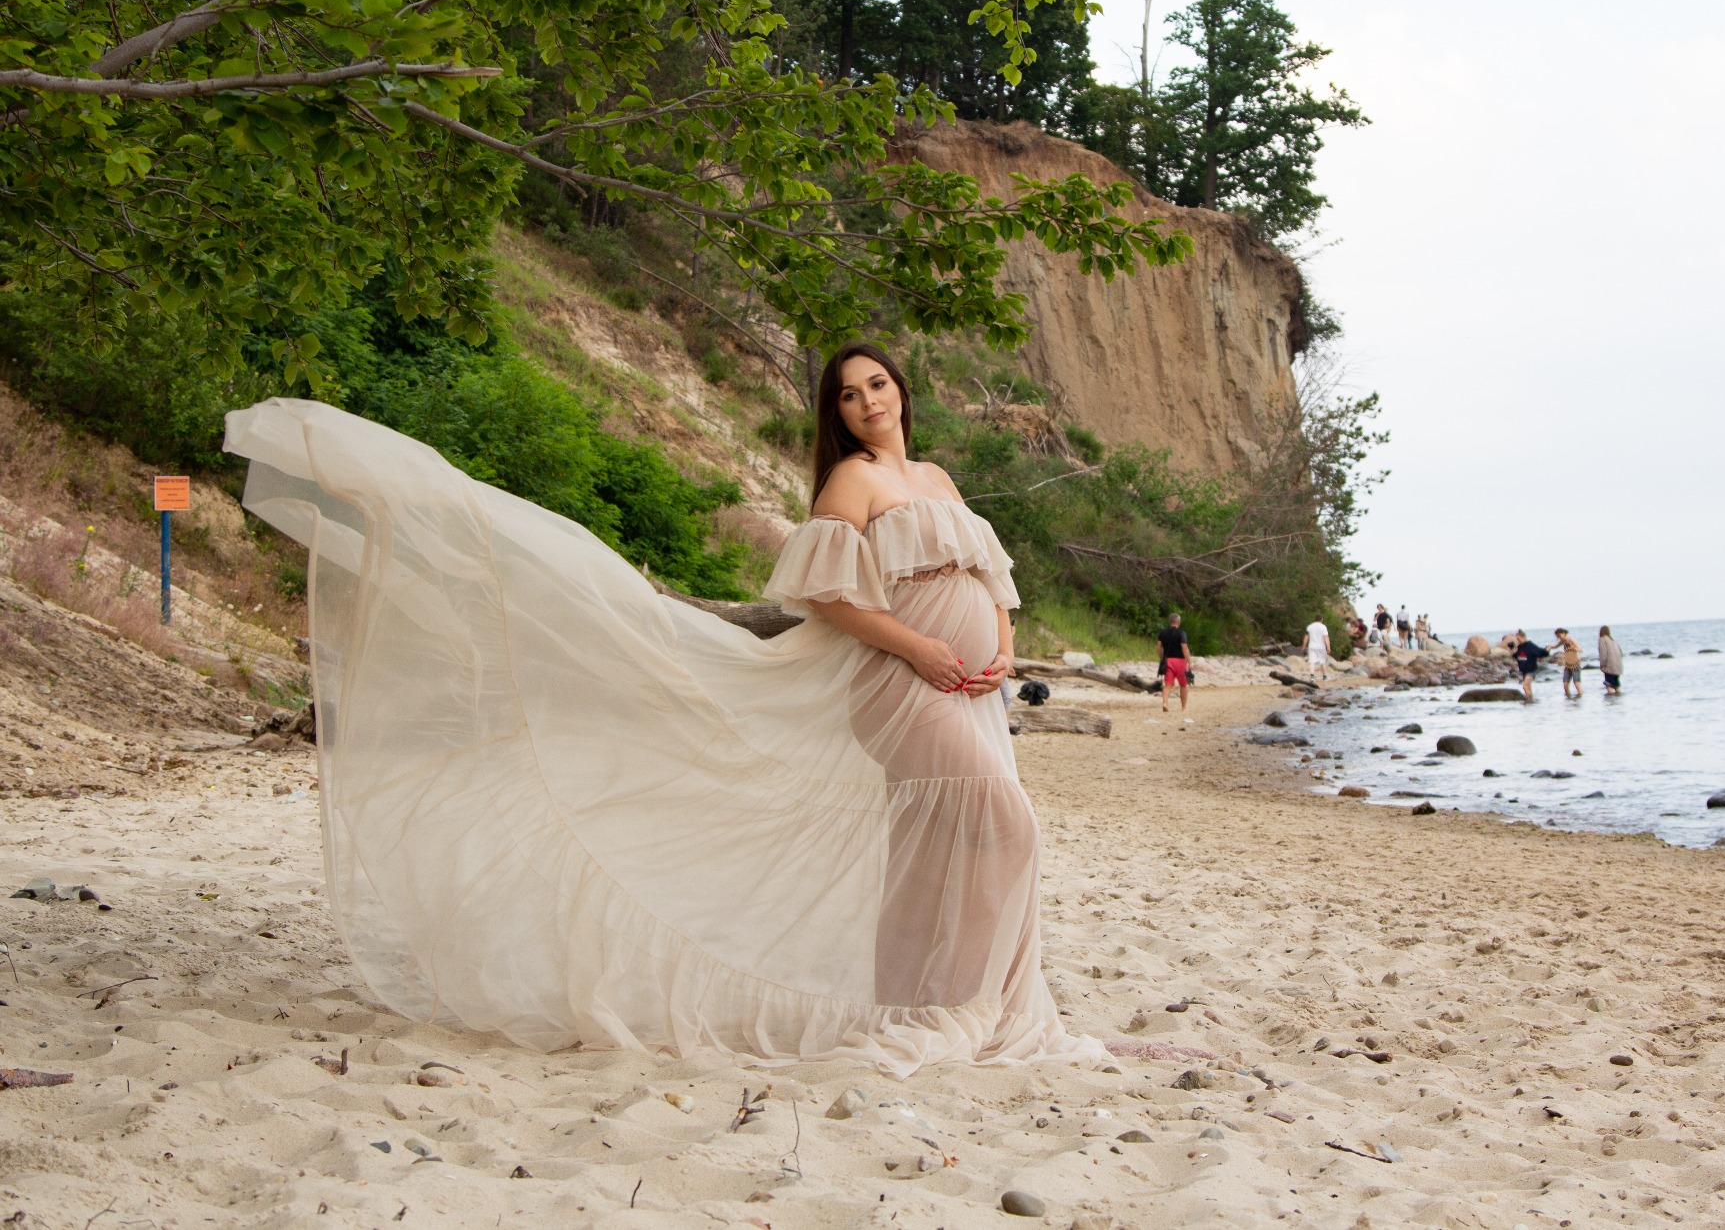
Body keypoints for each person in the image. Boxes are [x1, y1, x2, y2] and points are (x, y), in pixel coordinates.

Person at [221, 342, 1101, 1075]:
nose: (868, 400)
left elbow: (989, 580)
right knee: (1006, 825)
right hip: (902, 686)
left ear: (901, 389)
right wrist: (918, 647)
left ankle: (929, 997)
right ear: (836, 413)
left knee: (934, 846)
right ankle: (960, 1005)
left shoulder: (939, 475)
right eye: (848, 393)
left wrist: (1000, 643)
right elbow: (826, 598)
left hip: (971, 688)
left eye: (877, 383)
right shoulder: (855, 484)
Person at [1157, 612, 1193, 720]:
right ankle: (1184, 708)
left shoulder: (1162, 633)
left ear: (1169, 622)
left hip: (1168, 660)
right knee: (1183, 685)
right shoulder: (1181, 633)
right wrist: (1189, 661)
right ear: (1179, 622)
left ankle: (1165, 703)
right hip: (1180, 661)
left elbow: (1159, 646)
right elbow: (1184, 647)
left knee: (1167, 684)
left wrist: (1161, 658)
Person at [1512, 629, 1549, 701]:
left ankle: (1529, 702)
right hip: (1524, 671)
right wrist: (1512, 649)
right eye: (1517, 639)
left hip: (1531, 670)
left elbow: (1540, 652)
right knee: (1528, 688)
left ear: (1523, 637)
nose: (1518, 640)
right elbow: (1516, 656)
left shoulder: (1530, 645)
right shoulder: (1520, 647)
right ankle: (1531, 702)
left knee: (1525, 686)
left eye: (1518, 639)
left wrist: (1546, 650)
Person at [1553, 627, 1585, 699]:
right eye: (1558, 637)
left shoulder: (1571, 639)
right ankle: (1568, 700)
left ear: (1563, 634)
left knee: (1577, 684)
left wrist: (1573, 648)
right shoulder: (1563, 641)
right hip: (1567, 665)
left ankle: (1580, 698)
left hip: (1575, 664)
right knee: (1565, 685)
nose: (1559, 638)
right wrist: (1550, 647)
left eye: (1559, 636)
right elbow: (1555, 646)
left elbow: (1580, 649)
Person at [1597, 625, 1624, 695]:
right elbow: (1621, 652)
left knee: (1609, 685)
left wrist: (1602, 665)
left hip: (1609, 667)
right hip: (1618, 667)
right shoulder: (1612, 640)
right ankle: (1618, 701)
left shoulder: (1602, 639)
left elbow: (1603, 654)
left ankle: (1610, 704)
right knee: (1617, 684)